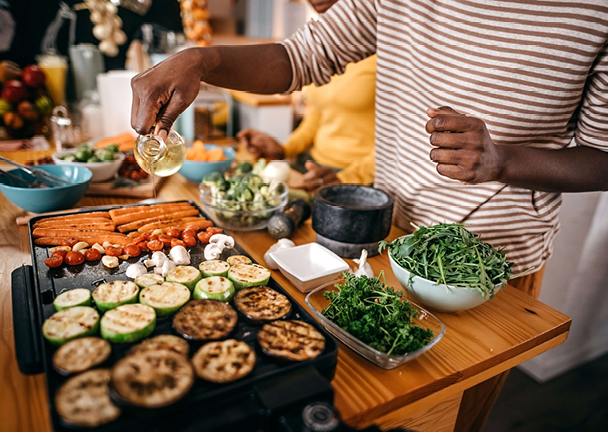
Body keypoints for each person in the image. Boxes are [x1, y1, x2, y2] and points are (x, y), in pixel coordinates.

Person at [131, 1, 608, 430]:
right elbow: (300, 57)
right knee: (379, 406)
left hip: (492, 272)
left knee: (453, 417)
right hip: (386, 240)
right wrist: (201, 58)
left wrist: (504, 160)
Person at [236, 0, 377, 191]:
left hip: (363, 180)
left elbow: (402, 144)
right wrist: (284, 149)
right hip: (314, 167)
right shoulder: (322, 50)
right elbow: (317, 116)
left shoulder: (385, 51)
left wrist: (345, 178)